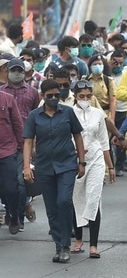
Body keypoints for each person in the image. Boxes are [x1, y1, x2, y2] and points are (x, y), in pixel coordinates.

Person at [23, 79, 86, 263]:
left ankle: (66, 243)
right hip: (44, 166)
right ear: (42, 96)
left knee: (64, 201)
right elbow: (27, 141)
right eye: (49, 96)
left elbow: (77, 136)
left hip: (66, 164)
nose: (53, 98)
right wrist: (26, 166)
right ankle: (58, 245)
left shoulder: (68, 112)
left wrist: (81, 162)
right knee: (51, 208)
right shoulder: (34, 116)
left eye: (56, 96)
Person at [70, 80, 115, 259]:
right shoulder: (68, 113)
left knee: (93, 198)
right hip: (74, 161)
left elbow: (104, 142)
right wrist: (74, 152)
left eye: (89, 96)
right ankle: (79, 238)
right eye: (82, 96)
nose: (86, 99)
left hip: (96, 159)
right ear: (75, 96)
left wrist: (110, 166)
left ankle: (94, 245)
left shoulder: (98, 114)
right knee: (76, 199)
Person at [0, 58, 40, 231]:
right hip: (11, 147)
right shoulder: (4, 91)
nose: (16, 73)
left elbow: (19, 123)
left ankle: (17, 215)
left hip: (14, 147)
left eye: (19, 70)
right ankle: (10, 212)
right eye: (12, 70)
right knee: (4, 188)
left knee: (16, 185)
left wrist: (29, 147)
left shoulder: (26, 94)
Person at [0, 88, 23, 235]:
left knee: (11, 188)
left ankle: (13, 214)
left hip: (7, 150)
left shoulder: (8, 99)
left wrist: (22, 147)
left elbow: (17, 124)